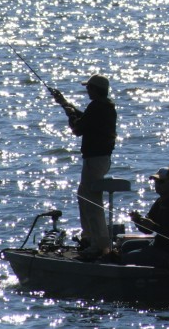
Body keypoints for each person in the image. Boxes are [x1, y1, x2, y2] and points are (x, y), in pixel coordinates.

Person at [50, 74, 117, 260]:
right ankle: (90, 238)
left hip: (95, 161)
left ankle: (98, 245)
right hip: (100, 160)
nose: (87, 90)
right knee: (84, 197)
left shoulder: (97, 107)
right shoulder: (105, 107)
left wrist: (70, 113)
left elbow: (78, 128)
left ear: (95, 90)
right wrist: (65, 104)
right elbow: (85, 120)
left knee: (92, 202)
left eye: (89, 88)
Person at [122, 167, 169, 267]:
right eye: (156, 182)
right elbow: (148, 230)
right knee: (126, 246)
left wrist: (154, 226)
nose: (157, 185)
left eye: (161, 182)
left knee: (126, 258)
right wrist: (137, 220)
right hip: (159, 244)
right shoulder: (160, 202)